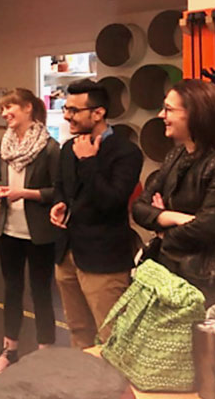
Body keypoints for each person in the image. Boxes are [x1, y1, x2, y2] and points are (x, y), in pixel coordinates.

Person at [49, 79, 143, 349]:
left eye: (74, 111)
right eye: (66, 109)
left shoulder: (126, 152)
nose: (67, 116)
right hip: (67, 253)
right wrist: (59, 203)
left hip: (103, 258)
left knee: (111, 334)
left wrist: (89, 161)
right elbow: (62, 187)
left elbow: (111, 201)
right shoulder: (69, 147)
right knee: (78, 329)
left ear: (98, 113)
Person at [132, 79, 215, 307]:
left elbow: (207, 228)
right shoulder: (176, 155)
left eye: (168, 109)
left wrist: (163, 232)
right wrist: (174, 218)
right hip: (172, 274)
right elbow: (139, 207)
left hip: (209, 283)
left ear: (195, 114)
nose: (160, 115)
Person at [0, 88, 60, 372]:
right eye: (2, 109)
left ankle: (46, 350)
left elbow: (58, 191)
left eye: (10, 108)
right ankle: (10, 350)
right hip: (8, 230)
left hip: (39, 233)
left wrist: (26, 194)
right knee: (11, 290)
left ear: (28, 108)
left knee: (41, 291)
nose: (5, 114)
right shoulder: (2, 146)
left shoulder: (49, 148)